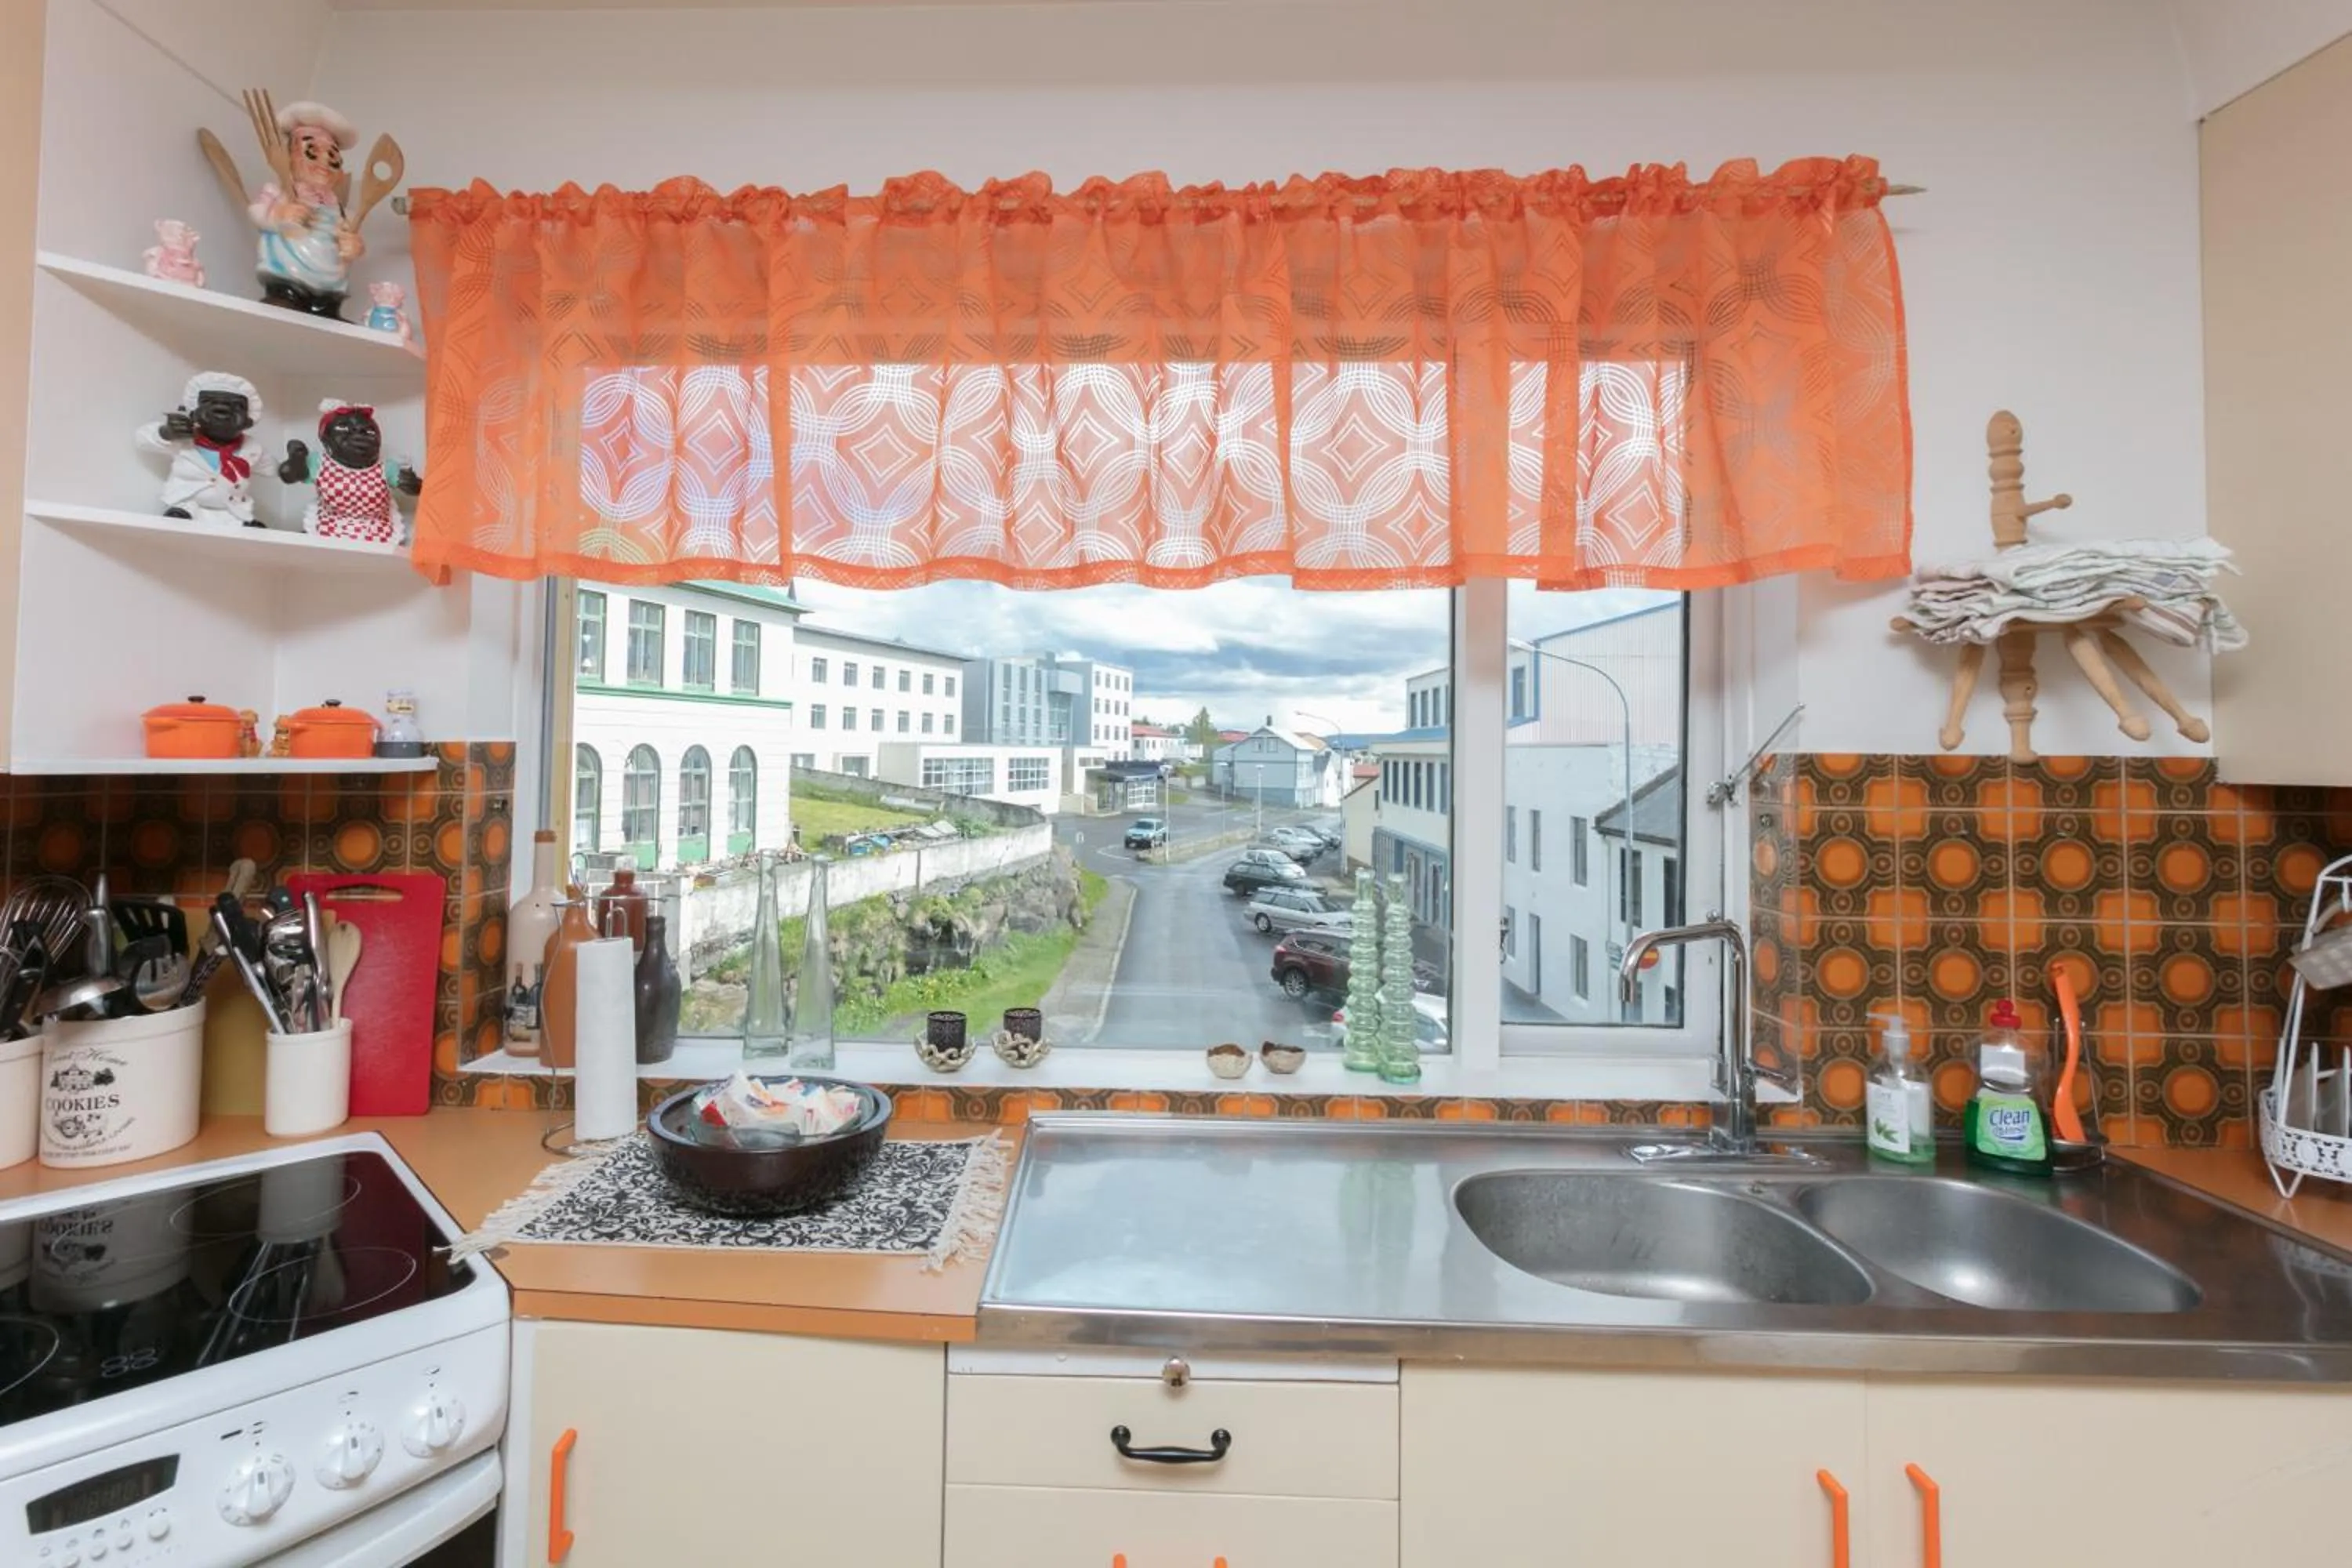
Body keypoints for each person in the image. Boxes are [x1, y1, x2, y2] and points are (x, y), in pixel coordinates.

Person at [249, 100, 362, 318]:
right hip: (286, 279)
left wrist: (353, 248)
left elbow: (349, 240)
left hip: (330, 287)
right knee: (282, 308)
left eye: (333, 156)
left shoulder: (341, 211)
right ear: (288, 157)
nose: (324, 162)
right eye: (312, 151)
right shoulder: (279, 194)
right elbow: (257, 213)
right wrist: (279, 214)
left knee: (328, 318)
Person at [136, 372, 263, 528]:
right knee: (181, 516)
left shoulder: (253, 448)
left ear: (249, 421)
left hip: (230, 507)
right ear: (193, 412)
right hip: (189, 503)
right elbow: (142, 440)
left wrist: (293, 464)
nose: (222, 408)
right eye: (208, 401)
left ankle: (244, 523)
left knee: (239, 521)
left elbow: (278, 471)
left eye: (237, 406)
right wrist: (166, 433)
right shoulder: (184, 440)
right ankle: (182, 513)